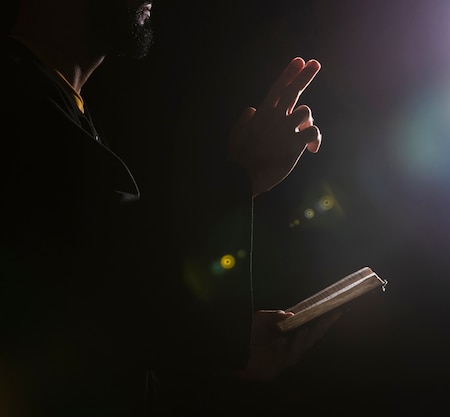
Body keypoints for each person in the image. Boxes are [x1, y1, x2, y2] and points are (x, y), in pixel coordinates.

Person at [0, 0, 338, 415]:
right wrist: (241, 174)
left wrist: (219, 343)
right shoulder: (17, 101)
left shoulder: (59, 108)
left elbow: (104, 314)